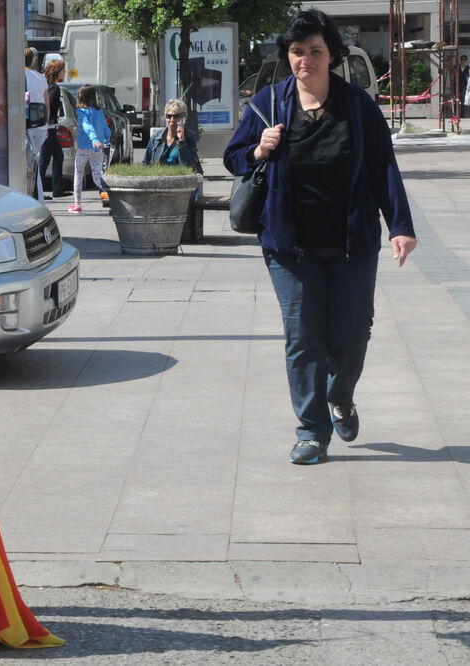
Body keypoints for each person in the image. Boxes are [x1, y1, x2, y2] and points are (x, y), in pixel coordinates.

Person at [223, 8, 417, 465]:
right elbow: (234, 158)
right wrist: (258, 147)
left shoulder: (357, 105)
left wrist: (401, 226)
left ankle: (340, 395)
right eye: (297, 52)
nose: (305, 60)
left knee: (351, 335)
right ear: (287, 56)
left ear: (331, 55)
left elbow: (382, 167)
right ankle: (311, 430)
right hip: (290, 246)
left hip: (352, 241)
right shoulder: (267, 103)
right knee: (303, 337)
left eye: (315, 52)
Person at [68, 84, 111, 215]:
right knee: (98, 178)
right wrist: (106, 139)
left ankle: (77, 204)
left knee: (78, 175)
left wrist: (94, 140)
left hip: (84, 148)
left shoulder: (81, 112)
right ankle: (110, 204)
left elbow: (87, 126)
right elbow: (105, 128)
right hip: (97, 150)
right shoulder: (99, 112)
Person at [143, 98, 199, 169]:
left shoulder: (189, 136)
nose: (172, 120)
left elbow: (187, 167)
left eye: (176, 117)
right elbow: (145, 162)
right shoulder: (157, 137)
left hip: (179, 178)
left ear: (183, 118)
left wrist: (181, 141)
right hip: (159, 178)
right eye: (169, 116)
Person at [25, 47, 49, 200]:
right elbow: (46, 103)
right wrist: (46, 125)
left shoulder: (19, 74)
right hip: (40, 125)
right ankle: (39, 196)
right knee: (35, 162)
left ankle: (34, 197)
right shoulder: (41, 77)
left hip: (26, 124)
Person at [40, 59, 66, 198]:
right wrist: (45, 127)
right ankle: (37, 191)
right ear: (57, 71)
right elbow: (47, 106)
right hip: (48, 128)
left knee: (57, 156)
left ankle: (57, 190)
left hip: (48, 128)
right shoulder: (54, 88)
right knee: (44, 160)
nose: (65, 72)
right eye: (63, 69)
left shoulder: (46, 85)